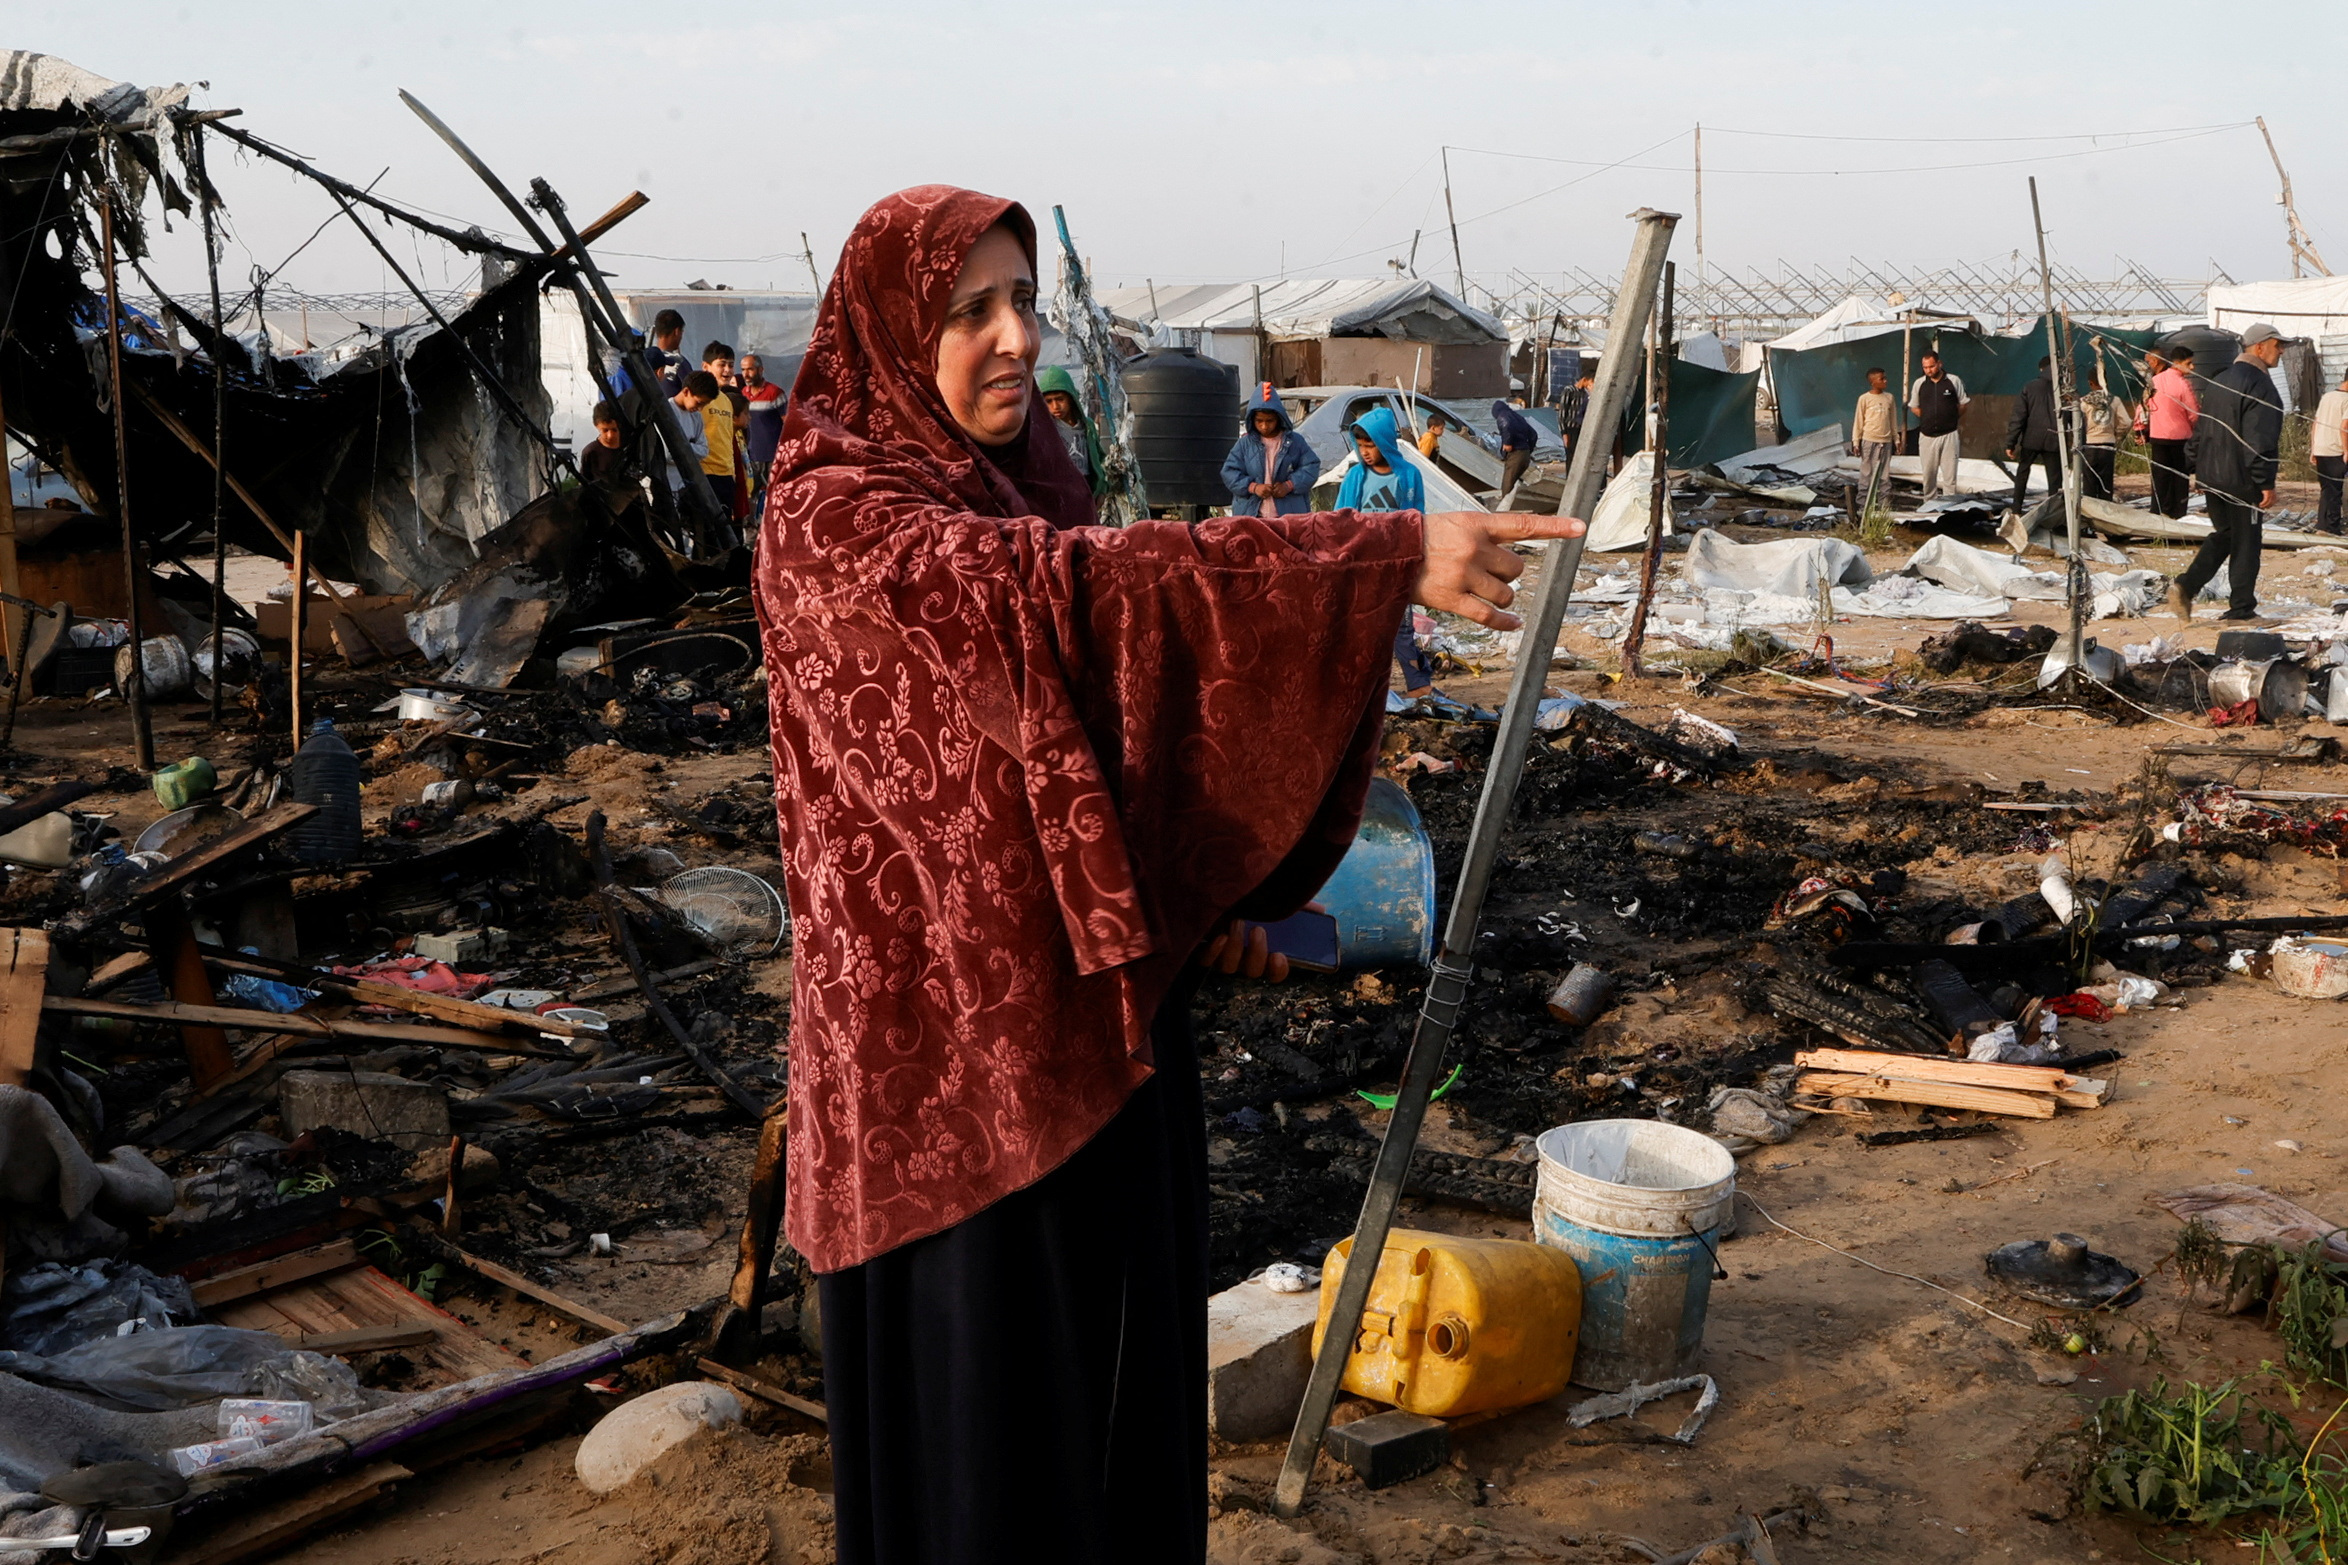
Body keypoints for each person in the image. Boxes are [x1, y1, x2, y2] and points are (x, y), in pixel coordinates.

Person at [755, 186, 1578, 1565]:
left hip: (1097, 1039)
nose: (1019, 339)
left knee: (1110, 1426)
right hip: (948, 1080)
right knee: (990, 1460)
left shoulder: (1030, 481)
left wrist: (1206, 914)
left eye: (1024, 302)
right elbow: (1069, 599)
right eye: (972, 312)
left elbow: (1096, 744)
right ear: (895, 333)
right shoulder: (838, 517)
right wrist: (1370, 557)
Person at [2172, 323, 2287, 621]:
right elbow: (2259, 438)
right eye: (2278, 345)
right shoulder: (2260, 385)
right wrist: (2264, 481)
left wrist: (2196, 467)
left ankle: (2185, 585)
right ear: (2259, 347)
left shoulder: (2220, 380)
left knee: (2225, 534)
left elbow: (2201, 429)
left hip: (2213, 477)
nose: (2282, 350)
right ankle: (2241, 608)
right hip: (2242, 478)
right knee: (2247, 542)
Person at [1337, 406, 1435, 698]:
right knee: (1361, 627)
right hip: (1363, 564)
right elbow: (1339, 518)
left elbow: (1418, 516)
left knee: (1400, 627)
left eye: (1372, 445)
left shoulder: (1409, 475)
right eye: (1362, 445)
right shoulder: (1356, 477)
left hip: (1396, 565)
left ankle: (1419, 685)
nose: (1366, 452)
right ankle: (1363, 688)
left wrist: (1416, 555)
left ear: (1385, 443)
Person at [1219, 381, 1319, 518]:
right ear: (1251, 419)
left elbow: (1311, 466)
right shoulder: (1244, 444)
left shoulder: (1295, 442)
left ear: (1279, 418)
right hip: (1252, 517)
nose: (1264, 426)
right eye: (1259, 421)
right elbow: (1229, 472)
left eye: (1269, 421)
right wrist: (1253, 487)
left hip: (1289, 517)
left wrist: (1289, 485)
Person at [2140, 346, 2199, 519]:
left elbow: (2143, 406)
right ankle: (2177, 514)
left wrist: (2141, 430)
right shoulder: (2183, 384)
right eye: (2189, 363)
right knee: (2179, 479)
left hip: (2158, 437)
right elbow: (2194, 413)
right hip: (2179, 439)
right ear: (2177, 363)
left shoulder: (2155, 382)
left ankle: (2158, 511)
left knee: (2160, 478)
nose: (2192, 368)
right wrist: (2196, 431)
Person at [2003, 357, 2064, 515]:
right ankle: (2054, 513)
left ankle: (2016, 508)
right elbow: (2070, 416)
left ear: (2041, 369)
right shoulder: (2062, 390)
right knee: (2054, 479)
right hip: (2054, 439)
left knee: (2023, 472)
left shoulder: (2029, 387)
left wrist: (2011, 443)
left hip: (2031, 439)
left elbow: (2019, 417)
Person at [1035, 364, 1105, 497]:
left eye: (1060, 399)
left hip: (1086, 489)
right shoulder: (1045, 429)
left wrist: (1102, 489)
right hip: (1060, 491)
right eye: (1049, 401)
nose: (1055, 406)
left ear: (1071, 398)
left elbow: (1099, 459)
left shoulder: (1087, 426)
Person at [1906, 351, 1968, 501]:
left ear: (1939, 364)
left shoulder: (1953, 381)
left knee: (1950, 474)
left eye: (1931, 366)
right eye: (1925, 367)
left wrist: (1949, 417)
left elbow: (1963, 403)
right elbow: (1914, 407)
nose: (1929, 370)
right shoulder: (1919, 383)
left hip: (1949, 435)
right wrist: (1928, 417)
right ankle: (1929, 503)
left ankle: (1949, 505)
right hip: (1927, 436)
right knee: (1928, 474)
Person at [2078, 361, 2126, 503]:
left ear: (2090, 383)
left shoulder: (2084, 402)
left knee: (2089, 484)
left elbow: (2078, 423)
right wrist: (2116, 434)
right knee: (2106, 485)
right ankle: (2106, 516)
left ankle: (2090, 517)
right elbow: (2126, 421)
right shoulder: (2114, 400)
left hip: (2090, 446)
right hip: (2108, 446)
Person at [739, 353, 787, 492]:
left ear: (761, 370)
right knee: (750, 495)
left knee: (775, 493)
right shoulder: (743, 394)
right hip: (752, 456)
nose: (746, 374)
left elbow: (787, 423)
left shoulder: (775, 393)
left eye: (750, 369)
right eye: (743, 370)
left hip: (773, 457)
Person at [1850, 367, 1896, 511]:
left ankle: (1884, 507)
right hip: (1869, 440)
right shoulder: (1864, 399)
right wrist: (1856, 442)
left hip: (1886, 441)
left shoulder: (1889, 398)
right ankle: (1863, 506)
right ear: (1873, 381)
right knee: (1866, 473)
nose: (1885, 381)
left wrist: (1897, 440)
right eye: (1882, 379)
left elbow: (1893, 420)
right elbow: (1858, 421)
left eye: (1885, 378)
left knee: (1884, 475)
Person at [2312, 371, 2348, 535]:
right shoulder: (2346, 400)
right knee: (2335, 490)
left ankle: (2322, 524)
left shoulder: (2327, 397)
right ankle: (2332, 528)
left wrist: (2313, 448)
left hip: (2321, 448)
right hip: (2335, 449)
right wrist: (2346, 450)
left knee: (2326, 489)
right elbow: (2344, 427)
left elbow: (2316, 423)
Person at [666, 370, 712, 498]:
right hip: (666, 484)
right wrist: (691, 447)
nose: (700, 408)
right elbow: (668, 454)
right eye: (699, 403)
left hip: (685, 485)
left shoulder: (696, 417)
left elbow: (704, 451)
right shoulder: (667, 412)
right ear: (686, 392)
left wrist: (682, 445)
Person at [1493, 396, 1540, 500]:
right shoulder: (1518, 417)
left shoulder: (1503, 416)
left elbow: (1506, 425)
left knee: (1508, 481)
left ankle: (1505, 507)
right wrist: (1528, 449)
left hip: (1515, 453)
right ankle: (1516, 502)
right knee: (1516, 480)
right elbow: (1533, 434)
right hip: (1525, 453)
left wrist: (1507, 443)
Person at [580, 399, 628, 485]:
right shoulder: (590, 453)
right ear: (596, 426)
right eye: (605, 430)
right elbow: (584, 484)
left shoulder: (629, 447)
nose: (610, 435)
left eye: (614, 430)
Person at [647, 308, 687, 396]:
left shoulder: (645, 359)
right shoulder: (678, 361)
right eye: (681, 332)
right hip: (670, 409)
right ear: (676, 332)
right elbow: (693, 390)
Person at [1558, 369, 1594, 456]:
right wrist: (1564, 433)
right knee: (1571, 456)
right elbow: (1562, 414)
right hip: (1571, 429)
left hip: (1581, 429)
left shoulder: (1585, 394)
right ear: (1584, 380)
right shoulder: (1569, 391)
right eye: (1591, 382)